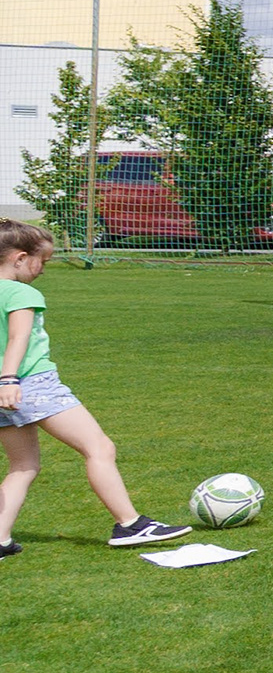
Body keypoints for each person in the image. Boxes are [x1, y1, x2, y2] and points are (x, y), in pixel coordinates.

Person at [0, 218, 188, 554]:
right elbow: (19, 337)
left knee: (23, 466)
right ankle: (130, 525)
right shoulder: (21, 293)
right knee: (99, 448)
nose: (43, 270)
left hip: (3, 393)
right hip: (30, 385)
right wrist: (9, 378)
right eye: (42, 262)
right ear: (20, 258)